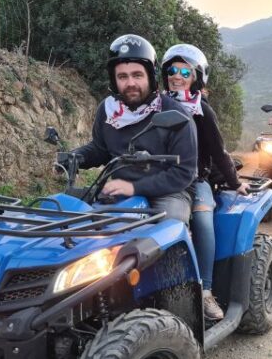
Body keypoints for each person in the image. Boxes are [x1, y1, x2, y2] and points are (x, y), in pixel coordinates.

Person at [161, 43, 249, 321]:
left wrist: (235, 183)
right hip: (157, 178)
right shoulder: (154, 106)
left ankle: (206, 291)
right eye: (172, 70)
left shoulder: (202, 111)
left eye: (184, 71)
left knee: (202, 219)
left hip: (195, 178)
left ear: (196, 76)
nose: (177, 76)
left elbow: (219, 151)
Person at [70, 34, 197, 224]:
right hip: (121, 190)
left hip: (169, 192)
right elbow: (100, 149)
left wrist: (134, 187)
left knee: (170, 226)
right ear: (114, 80)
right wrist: (74, 157)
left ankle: (177, 255)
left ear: (150, 76)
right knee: (82, 223)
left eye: (137, 75)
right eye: (122, 76)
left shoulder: (175, 114)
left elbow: (183, 173)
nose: (130, 83)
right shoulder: (108, 111)